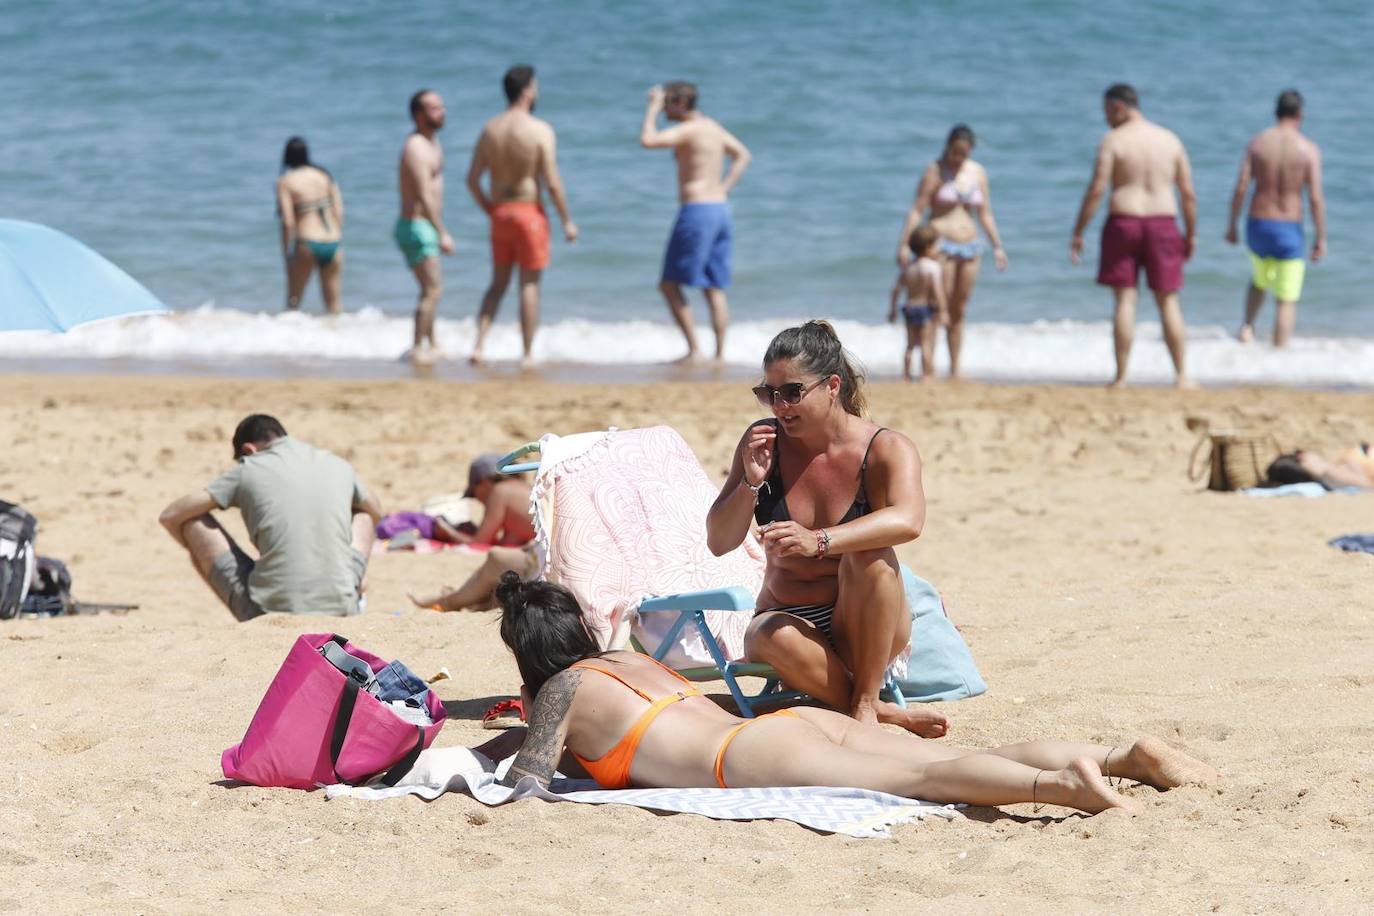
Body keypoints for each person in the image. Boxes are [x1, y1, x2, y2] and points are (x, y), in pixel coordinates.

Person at [491, 572, 1218, 815]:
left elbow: (529, 782)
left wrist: (503, 755)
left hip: (745, 761)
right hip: (786, 723)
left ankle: (1060, 785)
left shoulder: (560, 690)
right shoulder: (624, 660)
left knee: (927, 779)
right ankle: (1122, 755)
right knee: (956, 757)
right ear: (579, 628)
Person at [703, 320, 946, 736]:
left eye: (792, 392)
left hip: (865, 621)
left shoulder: (885, 449)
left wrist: (818, 541)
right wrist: (750, 482)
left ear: (832, 385)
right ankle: (879, 712)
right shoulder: (764, 443)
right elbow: (719, 541)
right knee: (765, 633)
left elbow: (909, 520)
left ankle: (868, 701)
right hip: (788, 623)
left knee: (871, 554)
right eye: (769, 394)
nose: (780, 406)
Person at [158, 415, 382, 621]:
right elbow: (375, 512)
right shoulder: (336, 463)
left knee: (192, 522)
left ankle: (247, 616)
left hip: (269, 611)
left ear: (248, 449)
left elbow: (170, 516)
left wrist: (195, 552)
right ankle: (353, 586)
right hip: (342, 605)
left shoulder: (249, 468)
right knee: (362, 516)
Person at [1071, 84, 1197, 388]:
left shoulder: (1114, 141)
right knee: (1168, 301)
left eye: (1106, 112)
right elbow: (1188, 194)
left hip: (1124, 220)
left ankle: (1121, 376)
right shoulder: (1169, 139)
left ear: (1119, 107)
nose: (1106, 119)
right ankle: (1181, 376)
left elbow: (1097, 189)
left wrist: (1079, 230)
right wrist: (1191, 234)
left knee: (1125, 300)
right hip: (1164, 221)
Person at [467, 65, 579, 368]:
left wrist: (490, 209)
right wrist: (567, 220)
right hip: (528, 212)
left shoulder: (490, 129)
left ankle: (478, 345)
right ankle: (527, 354)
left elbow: (472, 180)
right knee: (529, 286)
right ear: (528, 90)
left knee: (497, 284)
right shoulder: (539, 129)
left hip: (500, 213)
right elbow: (552, 182)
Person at [641, 82, 752, 364]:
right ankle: (720, 354)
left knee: (669, 285)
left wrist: (651, 109)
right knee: (713, 286)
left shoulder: (689, 129)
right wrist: (724, 187)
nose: (664, 108)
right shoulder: (712, 126)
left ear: (680, 103)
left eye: (667, 103)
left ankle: (694, 350)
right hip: (720, 209)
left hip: (697, 210)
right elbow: (742, 155)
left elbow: (648, 140)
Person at [894, 125, 1008, 380]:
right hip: (939, 246)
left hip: (970, 246)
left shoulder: (977, 172)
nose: (958, 158)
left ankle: (955, 368)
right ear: (947, 147)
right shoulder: (935, 171)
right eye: (955, 152)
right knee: (936, 306)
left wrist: (998, 246)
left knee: (958, 308)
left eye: (964, 154)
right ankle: (929, 368)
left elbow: (985, 213)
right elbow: (917, 210)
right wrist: (904, 244)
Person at [1226, 89, 1327, 347]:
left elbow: (1240, 187)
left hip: (1258, 223)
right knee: (1286, 298)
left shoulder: (1258, 143)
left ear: (1276, 112)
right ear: (1300, 115)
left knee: (1259, 280)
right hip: (1289, 226)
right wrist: (1321, 238)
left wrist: (1231, 225)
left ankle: (1246, 329)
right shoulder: (1308, 149)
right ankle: (1278, 353)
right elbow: (1315, 197)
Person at [408, 454, 538, 612]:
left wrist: (448, 531)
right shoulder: (523, 488)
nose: (478, 499)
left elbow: (480, 541)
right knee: (495, 576)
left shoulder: (500, 491)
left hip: (541, 565)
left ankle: (448, 601)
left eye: (474, 493)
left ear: (484, 482)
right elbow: (513, 538)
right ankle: (458, 599)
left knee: (496, 559)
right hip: (546, 560)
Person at [396, 89, 456, 363]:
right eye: (434, 108)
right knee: (432, 289)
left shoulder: (432, 143)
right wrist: (442, 231)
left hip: (425, 225)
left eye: (441, 107)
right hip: (417, 225)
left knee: (431, 289)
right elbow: (422, 192)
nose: (441, 112)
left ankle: (431, 343)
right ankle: (417, 347)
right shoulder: (416, 147)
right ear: (419, 115)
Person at [276, 137, 345, 314]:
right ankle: (337, 338)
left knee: (293, 302)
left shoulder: (286, 181)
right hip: (333, 242)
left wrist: (286, 253)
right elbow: (339, 212)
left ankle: (290, 339)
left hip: (307, 242)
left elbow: (288, 221)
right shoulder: (325, 176)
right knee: (334, 305)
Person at [888, 225, 949, 382]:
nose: (939, 250)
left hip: (909, 308)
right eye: (937, 246)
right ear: (928, 247)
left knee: (909, 345)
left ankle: (906, 375)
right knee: (925, 344)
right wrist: (943, 312)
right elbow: (938, 292)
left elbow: (896, 290)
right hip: (924, 309)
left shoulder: (908, 268)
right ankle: (926, 375)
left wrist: (892, 310)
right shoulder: (932, 268)